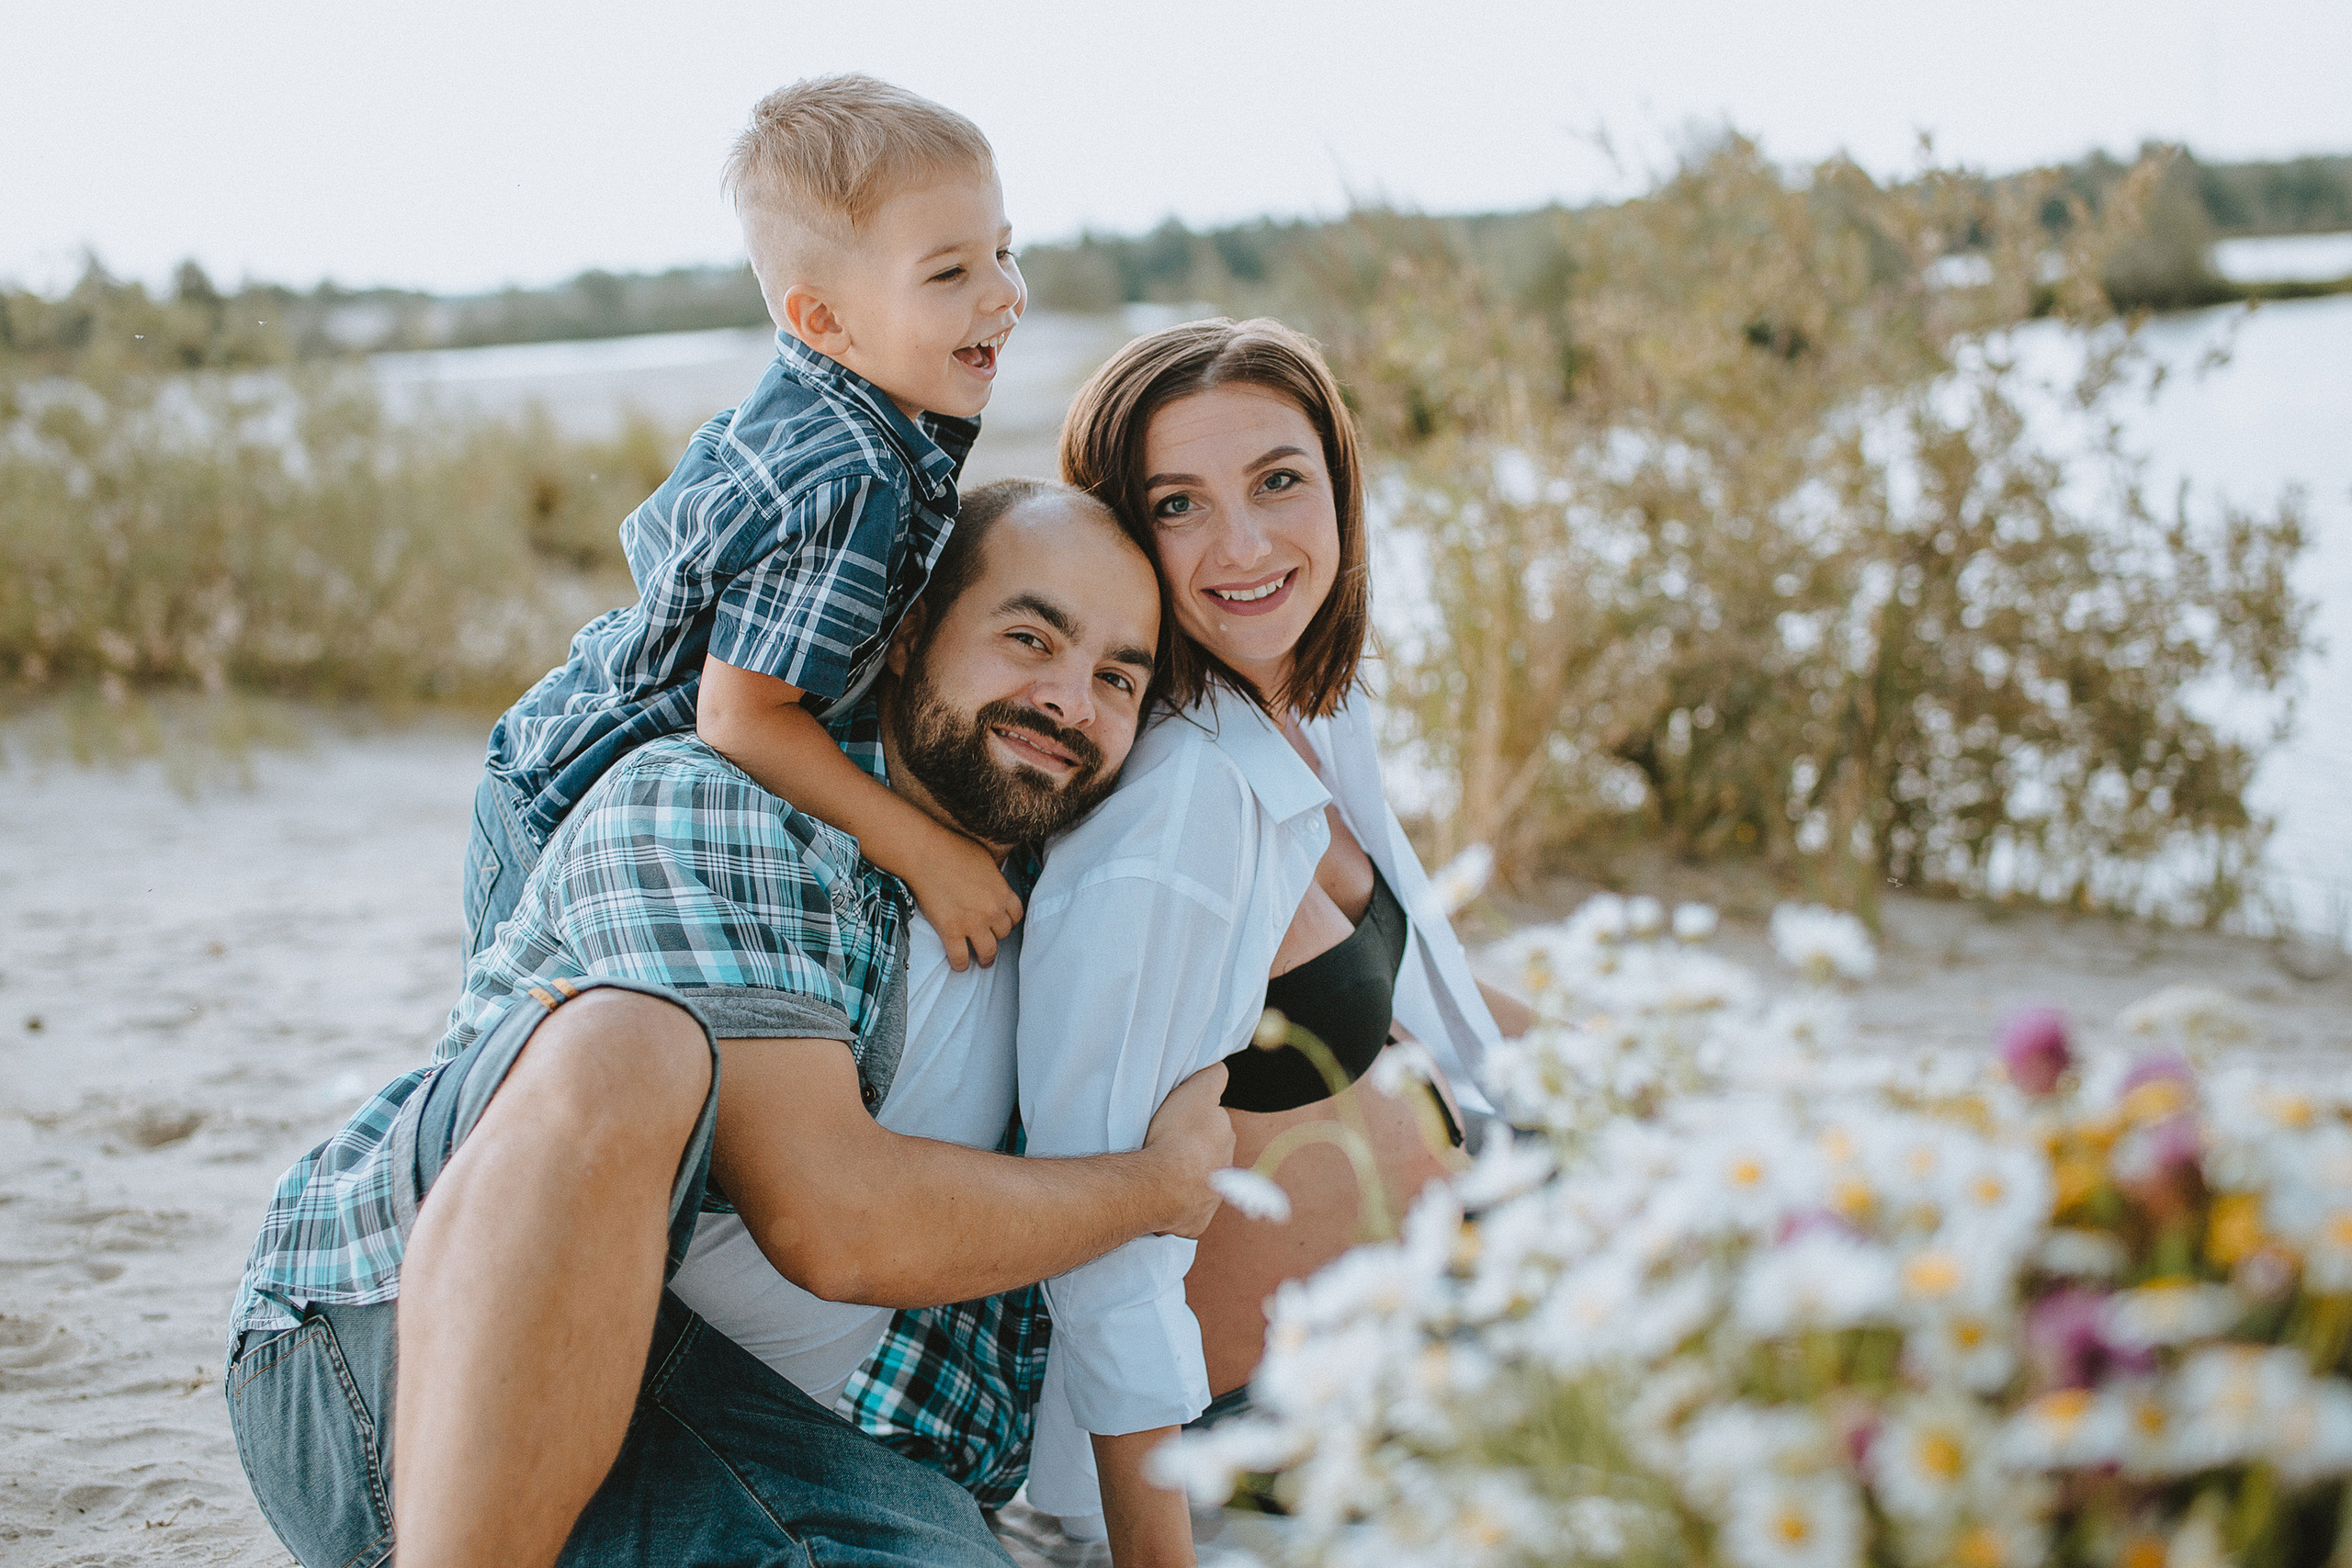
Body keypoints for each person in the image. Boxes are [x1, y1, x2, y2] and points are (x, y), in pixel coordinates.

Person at [224, 480, 1235, 1568]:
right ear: (905, 638)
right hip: (397, 1365)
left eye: (1116, 678)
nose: (1069, 701)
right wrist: (1156, 1189)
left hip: (762, 1441)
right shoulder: (717, 805)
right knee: (629, 1049)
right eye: (1029, 636)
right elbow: (835, 1221)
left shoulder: (1086, 925)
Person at [1012, 318, 1537, 1563]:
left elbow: (1426, 984)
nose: (1244, 546)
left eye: (1279, 480)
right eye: (1178, 504)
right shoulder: (1176, 809)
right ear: (1122, 539)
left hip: (1443, 1327)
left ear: (1342, 491)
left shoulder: (1307, 699)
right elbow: (1103, 1226)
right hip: (1273, 1446)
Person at [467, 73, 1029, 976]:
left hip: (561, 761)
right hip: (569, 813)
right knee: (517, 1047)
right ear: (823, 320)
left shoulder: (842, 400)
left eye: (1005, 251)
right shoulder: (851, 475)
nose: (1003, 293)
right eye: (950, 271)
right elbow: (741, 720)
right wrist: (929, 855)